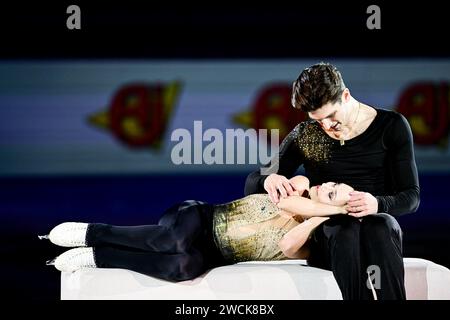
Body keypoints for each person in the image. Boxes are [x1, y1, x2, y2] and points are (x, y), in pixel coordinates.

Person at [244, 62, 420, 300]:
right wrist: (269, 179)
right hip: (329, 234)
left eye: (331, 116)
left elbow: (411, 197)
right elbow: (254, 181)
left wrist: (378, 204)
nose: (326, 126)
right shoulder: (307, 135)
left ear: (345, 96)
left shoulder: (391, 126)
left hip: (377, 226)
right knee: (343, 228)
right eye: (318, 120)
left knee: (380, 225)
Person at [43, 175, 351, 282]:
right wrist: (335, 207)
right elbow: (287, 205)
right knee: (175, 240)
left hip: (213, 253)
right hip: (199, 217)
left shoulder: (310, 237)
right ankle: (93, 232)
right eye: (335, 186)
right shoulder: (300, 186)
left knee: (183, 267)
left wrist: (324, 217)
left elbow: (287, 246)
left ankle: (99, 257)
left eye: (334, 192)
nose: (329, 186)